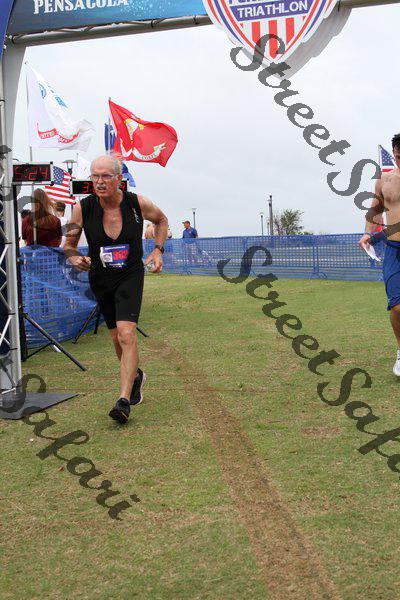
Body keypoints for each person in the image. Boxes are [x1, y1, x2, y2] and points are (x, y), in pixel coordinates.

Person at [64, 155, 168, 424]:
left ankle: (123, 400)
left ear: (119, 179)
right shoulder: (82, 208)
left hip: (130, 275)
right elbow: (69, 245)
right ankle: (136, 375)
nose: (99, 182)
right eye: (95, 176)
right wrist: (75, 258)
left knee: (126, 333)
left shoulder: (137, 203)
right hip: (101, 278)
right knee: (115, 339)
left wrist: (158, 249)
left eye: (105, 176)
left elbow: (162, 220)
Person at [359, 133, 400, 376]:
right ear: (394, 154)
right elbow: (375, 210)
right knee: (396, 307)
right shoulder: (384, 180)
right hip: (393, 250)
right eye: (399, 155)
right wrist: (367, 233)